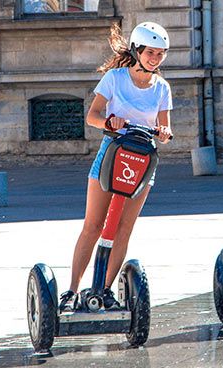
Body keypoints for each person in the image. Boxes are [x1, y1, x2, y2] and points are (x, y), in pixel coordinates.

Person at [59, 21, 173, 311]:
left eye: (161, 54)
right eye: (150, 52)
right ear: (137, 50)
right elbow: (93, 116)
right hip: (112, 153)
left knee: (123, 229)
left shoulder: (162, 88)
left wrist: (164, 133)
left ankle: (104, 290)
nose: (155, 59)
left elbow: (166, 128)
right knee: (94, 225)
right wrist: (109, 122)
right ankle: (72, 291)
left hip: (143, 161)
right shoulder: (115, 78)